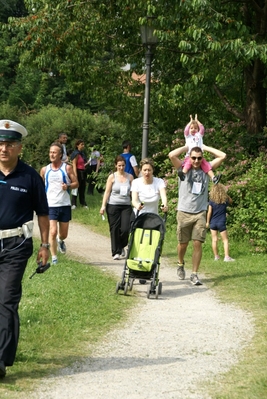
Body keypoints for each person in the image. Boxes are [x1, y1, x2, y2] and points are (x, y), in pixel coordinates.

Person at [0, 119, 50, 378]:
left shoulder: (30, 176)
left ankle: (1, 360)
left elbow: (43, 213)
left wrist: (45, 245)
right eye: (0, 143)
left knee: (6, 299)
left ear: (19, 148)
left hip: (16, 245)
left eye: (9, 144)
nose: (3, 149)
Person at [168, 144, 226, 285]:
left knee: (197, 243)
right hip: (184, 211)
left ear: (202, 158)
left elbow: (222, 155)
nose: (196, 161)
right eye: (193, 158)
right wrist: (186, 146)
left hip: (200, 212)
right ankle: (180, 263)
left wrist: (205, 147)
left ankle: (194, 274)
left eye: (199, 158)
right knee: (183, 244)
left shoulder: (206, 169)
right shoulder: (183, 167)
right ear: (189, 157)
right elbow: (171, 155)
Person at [40, 142, 78, 265]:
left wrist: (67, 186)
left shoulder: (66, 168)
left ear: (60, 154)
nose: (52, 154)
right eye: (50, 152)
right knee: (52, 231)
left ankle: (61, 241)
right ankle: (54, 258)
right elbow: (40, 187)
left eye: (54, 152)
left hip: (64, 204)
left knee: (63, 234)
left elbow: (76, 183)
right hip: (50, 205)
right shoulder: (45, 170)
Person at [100, 155, 134, 260]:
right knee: (114, 228)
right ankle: (116, 252)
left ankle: (122, 245)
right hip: (113, 205)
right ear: (116, 166)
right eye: (119, 165)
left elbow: (133, 193)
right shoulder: (112, 177)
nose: (121, 167)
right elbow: (107, 192)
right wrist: (103, 206)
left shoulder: (130, 177)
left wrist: (136, 203)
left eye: (123, 165)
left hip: (126, 206)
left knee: (125, 229)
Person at [178, 115, 221, 184]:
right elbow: (186, 129)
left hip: (199, 155)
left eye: (195, 128)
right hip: (190, 155)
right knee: (188, 164)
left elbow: (202, 128)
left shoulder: (199, 135)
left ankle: (213, 178)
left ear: (198, 130)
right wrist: (190, 122)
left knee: (206, 165)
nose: (193, 129)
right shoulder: (188, 136)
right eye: (191, 128)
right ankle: (183, 174)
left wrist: (197, 121)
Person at [206, 183, 235, 262]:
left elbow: (209, 212)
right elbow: (231, 201)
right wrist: (225, 194)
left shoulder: (211, 201)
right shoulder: (225, 201)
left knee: (214, 240)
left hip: (213, 222)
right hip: (221, 222)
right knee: (225, 240)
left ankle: (216, 256)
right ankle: (226, 257)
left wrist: (207, 222)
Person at [70, 139, 89, 209]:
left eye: (83, 144)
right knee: (76, 188)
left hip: (83, 171)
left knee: (82, 188)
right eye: (81, 144)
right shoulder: (76, 154)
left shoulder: (82, 154)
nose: (83, 146)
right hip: (77, 171)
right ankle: (73, 203)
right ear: (77, 145)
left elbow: (83, 163)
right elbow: (74, 164)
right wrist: (75, 175)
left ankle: (83, 202)